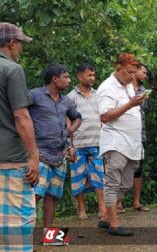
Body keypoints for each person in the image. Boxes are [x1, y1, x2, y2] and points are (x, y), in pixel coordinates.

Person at [0, 22, 39, 252]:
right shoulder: (12, 70)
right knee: (17, 226)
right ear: (12, 43)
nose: (21, 49)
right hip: (10, 162)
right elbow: (21, 116)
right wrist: (34, 157)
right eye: (20, 44)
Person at [97, 53, 146, 236]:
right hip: (116, 142)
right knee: (112, 182)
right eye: (128, 72)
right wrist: (131, 104)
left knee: (125, 183)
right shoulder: (107, 88)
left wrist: (136, 101)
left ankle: (105, 218)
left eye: (134, 72)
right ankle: (114, 224)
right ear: (118, 69)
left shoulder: (128, 86)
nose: (132, 76)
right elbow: (105, 116)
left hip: (132, 144)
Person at [29, 63, 82, 229]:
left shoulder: (66, 100)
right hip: (40, 154)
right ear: (55, 79)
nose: (69, 80)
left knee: (52, 196)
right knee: (34, 196)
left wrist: (69, 138)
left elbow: (77, 118)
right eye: (65, 77)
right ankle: (23, 237)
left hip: (60, 155)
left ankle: (49, 235)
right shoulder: (34, 95)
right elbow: (19, 116)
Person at [68, 63, 106, 220]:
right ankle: (81, 209)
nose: (92, 78)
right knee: (78, 178)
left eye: (93, 75)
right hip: (78, 144)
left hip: (97, 142)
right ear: (79, 76)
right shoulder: (71, 97)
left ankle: (102, 208)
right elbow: (68, 123)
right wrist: (69, 145)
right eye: (89, 75)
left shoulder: (98, 94)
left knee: (99, 176)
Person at [115, 63, 151, 213]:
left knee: (138, 168)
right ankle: (118, 203)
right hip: (121, 135)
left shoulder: (143, 90)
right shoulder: (120, 88)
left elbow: (144, 110)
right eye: (143, 72)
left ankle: (136, 202)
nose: (145, 75)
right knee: (119, 167)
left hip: (139, 135)